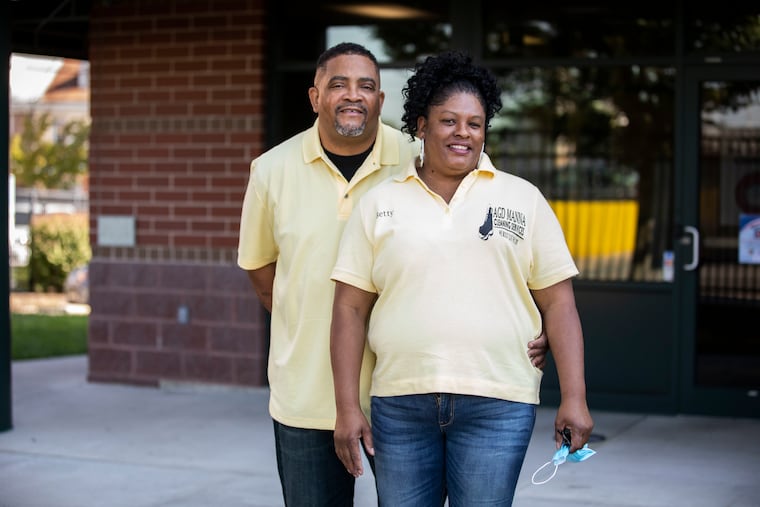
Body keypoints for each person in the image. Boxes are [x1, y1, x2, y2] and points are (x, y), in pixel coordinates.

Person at [238, 42, 549, 506]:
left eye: (366, 85)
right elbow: (263, 276)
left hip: (407, 395)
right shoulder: (270, 171)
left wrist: (523, 324)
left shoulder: (424, 151)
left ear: (381, 100)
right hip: (308, 390)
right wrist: (304, 314)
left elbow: (488, 228)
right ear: (314, 96)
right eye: (337, 84)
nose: (353, 95)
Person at [330, 50, 594, 506]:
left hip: (498, 403)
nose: (463, 133)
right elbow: (349, 308)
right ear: (420, 126)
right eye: (448, 121)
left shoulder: (523, 199)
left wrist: (575, 397)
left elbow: (559, 304)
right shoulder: (378, 203)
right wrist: (347, 408)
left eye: (474, 123)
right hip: (401, 403)